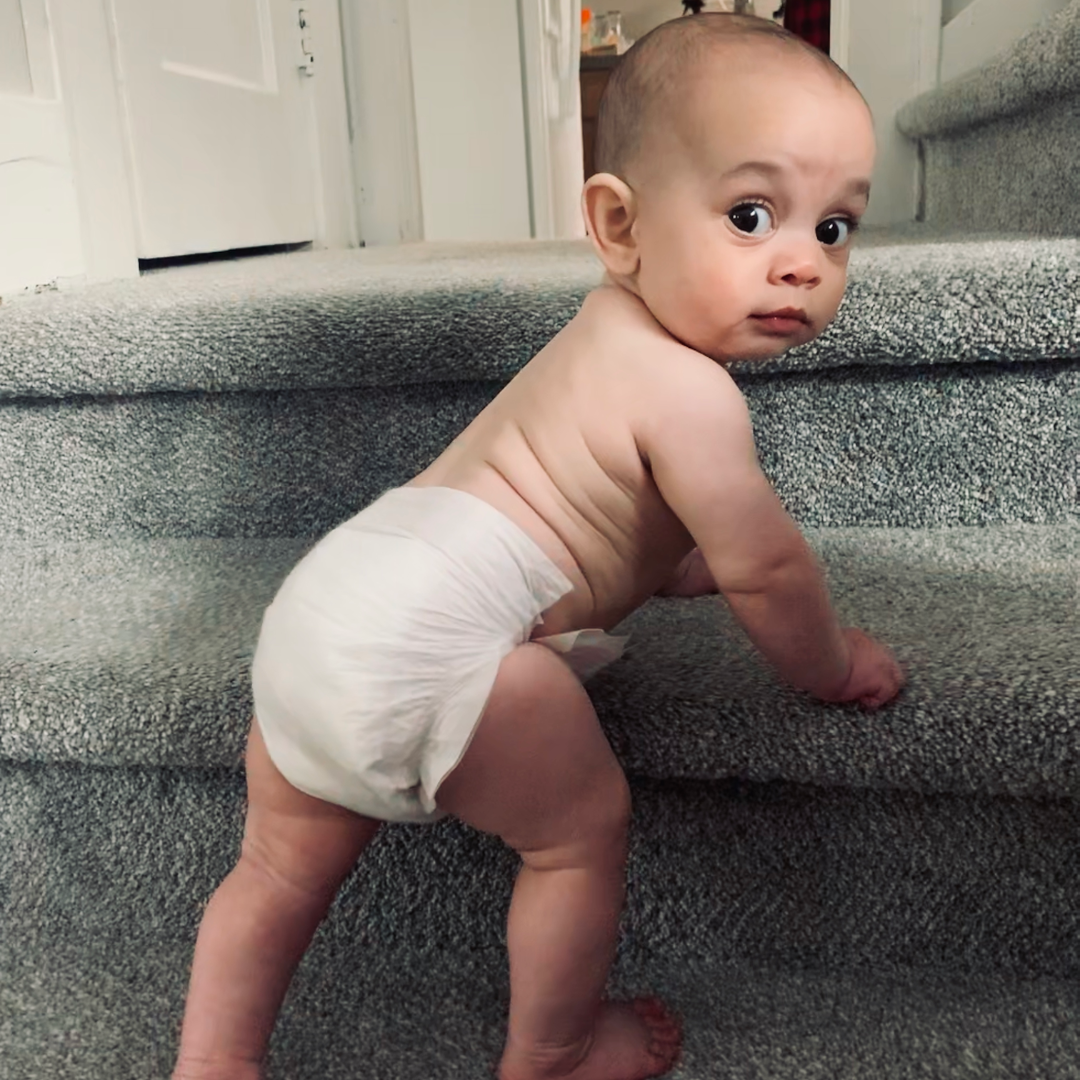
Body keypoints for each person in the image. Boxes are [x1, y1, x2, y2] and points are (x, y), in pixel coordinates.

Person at [172, 13, 902, 1080]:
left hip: (324, 612)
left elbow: (596, 519)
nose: (801, 264)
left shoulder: (597, 336)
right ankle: (553, 1050)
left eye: (834, 229)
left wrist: (677, 568)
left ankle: (213, 1060)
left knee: (276, 872)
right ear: (619, 226)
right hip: (429, 654)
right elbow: (768, 567)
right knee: (575, 835)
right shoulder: (691, 393)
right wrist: (829, 666)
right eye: (751, 216)